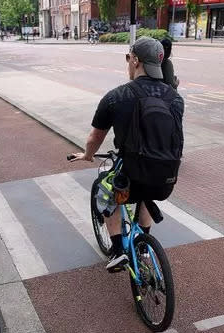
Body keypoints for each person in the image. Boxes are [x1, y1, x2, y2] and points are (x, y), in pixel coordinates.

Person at [69, 37, 184, 271]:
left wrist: (88, 155)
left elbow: (94, 138)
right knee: (146, 194)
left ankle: (118, 250)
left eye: (128, 58)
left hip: (131, 177)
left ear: (135, 60)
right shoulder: (175, 98)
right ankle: (144, 246)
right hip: (166, 178)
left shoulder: (116, 97)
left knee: (106, 189)